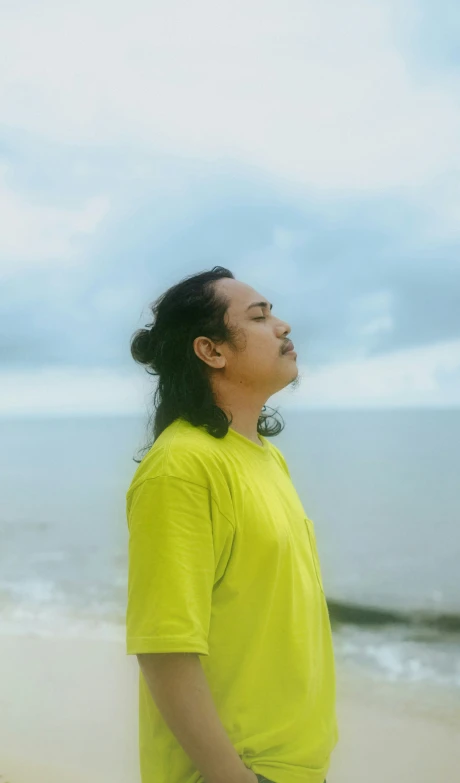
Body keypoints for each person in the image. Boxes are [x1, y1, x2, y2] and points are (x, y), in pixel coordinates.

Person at [126, 266, 337, 783]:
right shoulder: (182, 467)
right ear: (211, 351)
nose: (283, 326)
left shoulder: (263, 457)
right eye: (260, 316)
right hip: (238, 772)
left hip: (294, 768)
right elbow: (165, 647)